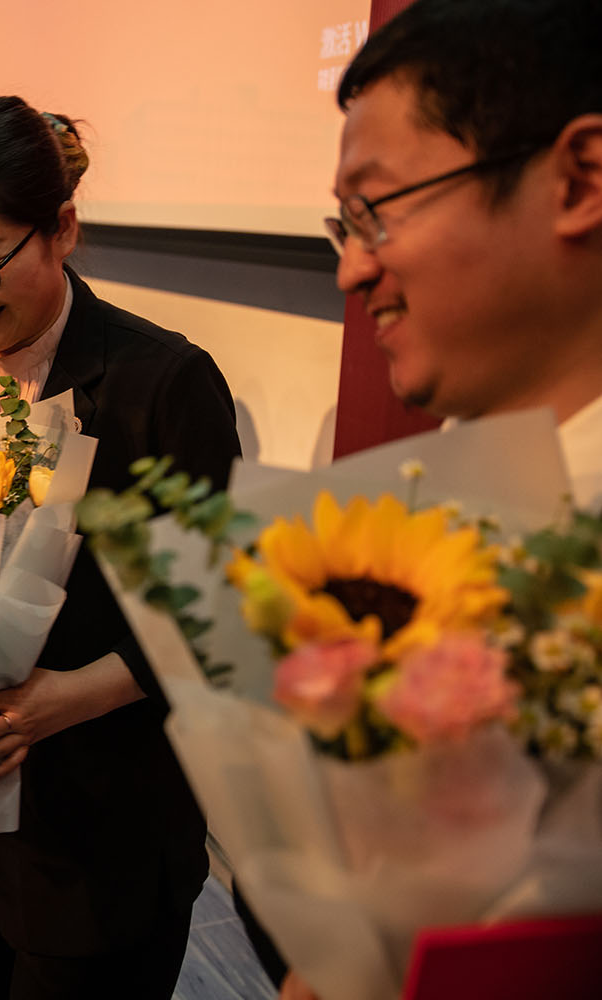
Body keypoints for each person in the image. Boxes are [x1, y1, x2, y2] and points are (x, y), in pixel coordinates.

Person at [0, 96, 242, 1000]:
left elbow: (211, 608)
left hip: (100, 825)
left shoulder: (161, 384)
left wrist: (64, 699)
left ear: (61, 227)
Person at [254, 1, 602, 996]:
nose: (351, 267)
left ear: (579, 180)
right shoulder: (464, 467)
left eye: (379, 211)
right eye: (345, 224)